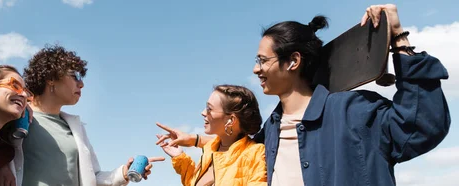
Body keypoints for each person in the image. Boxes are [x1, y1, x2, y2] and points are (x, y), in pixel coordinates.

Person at [157, 4, 450, 186]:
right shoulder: (269, 132)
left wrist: (398, 37)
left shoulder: (353, 112)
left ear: (293, 62)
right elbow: (236, 148)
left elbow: (423, 125)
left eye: (262, 60)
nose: (255, 69)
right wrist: (192, 140)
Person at [0, 44, 164, 186]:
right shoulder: (16, 116)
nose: (81, 84)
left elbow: (91, 178)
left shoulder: (75, 127)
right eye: (74, 76)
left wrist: (124, 173)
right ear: (51, 78)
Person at [156, 84, 267, 186]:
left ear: (231, 120)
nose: (203, 112)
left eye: (210, 109)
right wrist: (179, 157)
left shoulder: (255, 154)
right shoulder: (210, 149)